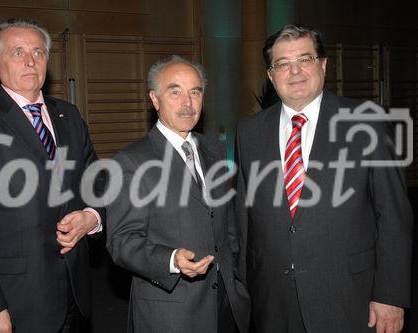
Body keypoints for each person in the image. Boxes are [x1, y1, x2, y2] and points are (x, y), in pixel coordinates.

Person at [235, 24, 413, 333]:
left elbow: (394, 216)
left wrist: (390, 295)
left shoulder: (367, 122)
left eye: (304, 59)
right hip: (273, 300)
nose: (295, 72)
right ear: (270, 74)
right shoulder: (248, 131)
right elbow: (244, 217)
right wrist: (243, 291)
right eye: (283, 64)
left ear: (323, 64)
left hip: (348, 298)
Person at [0, 18, 105, 333]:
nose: (30, 61)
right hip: (14, 304)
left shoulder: (68, 116)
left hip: (74, 294)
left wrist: (92, 217)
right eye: (17, 52)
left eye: (38, 52)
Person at [105, 55, 250, 333]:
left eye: (195, 92)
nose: (187, 103)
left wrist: (236, 279)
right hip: (171, 312)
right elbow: (122, 242)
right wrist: (171, 260)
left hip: (226, 303)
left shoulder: (214, 151)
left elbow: (226, 222)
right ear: (155, 99)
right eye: (175, 92)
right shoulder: (132, 161)